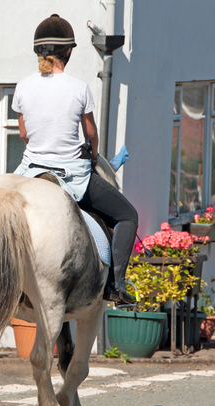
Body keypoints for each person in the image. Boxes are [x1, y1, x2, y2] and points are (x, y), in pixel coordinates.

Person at [11, 14, 138, 304]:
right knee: (128, 215)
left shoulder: (22, 87)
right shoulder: (79, 88)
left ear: (39, 52)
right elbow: (91, 134)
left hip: (30, 171)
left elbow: (24, 134)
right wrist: (93, 155)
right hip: (72, 176)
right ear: (68, 52)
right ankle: (115, 286)